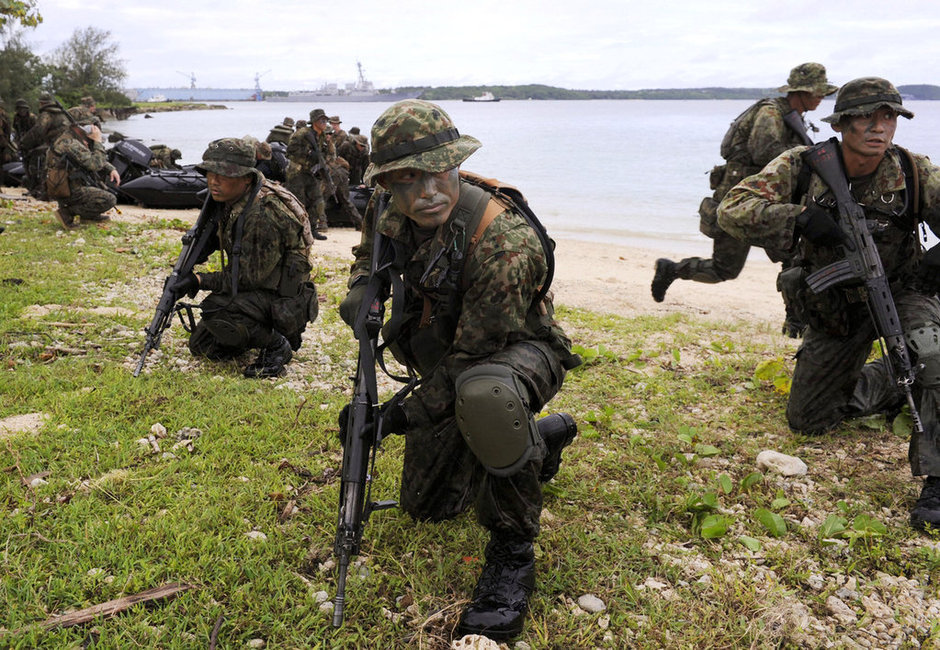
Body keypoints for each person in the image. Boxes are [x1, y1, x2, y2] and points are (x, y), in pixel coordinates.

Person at [338, 100, 580, 640]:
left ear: (455, 166)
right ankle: (541, 440)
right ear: (387, 184)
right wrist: (364, 289)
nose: (425, 193)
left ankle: (512, 553)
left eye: (436, 174)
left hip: (514, 355)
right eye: (405, 180)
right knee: (428, 507)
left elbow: (473, 357)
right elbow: (367, 255)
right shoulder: (385, 208)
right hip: (450, 362)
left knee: (487, 398)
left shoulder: (504, 240)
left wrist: (398, 416)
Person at [717, 77, 940, 532]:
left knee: (932, 355)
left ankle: (936, 479)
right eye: (865, 117)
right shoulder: (804, 164)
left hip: (900, 291)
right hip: (836, 304)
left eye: (888, 117)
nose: (878, 128)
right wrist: (799, 216)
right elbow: (731, 208)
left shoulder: (914, 172)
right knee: (810, 420)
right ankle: (895, 382)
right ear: (841, 124)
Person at [652, 63, 838, 336]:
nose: (821, 98)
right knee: (724, 269)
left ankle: (796, 322)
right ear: (801, 91)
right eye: (818, 92)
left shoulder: (792, 114)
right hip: (743, 202)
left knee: (794, 257)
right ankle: (672, 269)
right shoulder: (771, 113)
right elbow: (765, 151)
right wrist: (810, 153)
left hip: (767, 201)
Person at [169, 137, 319, 378]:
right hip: (263, 289)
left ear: (247, 178)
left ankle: (278, 344)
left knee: (216, 310)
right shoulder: (234, 199)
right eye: (209, 174)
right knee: (204, 346)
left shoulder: (262, 214)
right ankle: (254, 333)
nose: (213, 182)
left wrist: (198, 280)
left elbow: (247, 278)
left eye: (223, 175)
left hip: (283, 301)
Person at [45, 109, 121, 229]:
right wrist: (97, 141)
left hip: (70, 185)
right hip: (66, 189)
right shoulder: (69, 142)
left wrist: (111, 169)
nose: (92, 127)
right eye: (88, 124)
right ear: (78, 126)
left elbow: (90, 157)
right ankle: (67, 212)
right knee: (109, 199)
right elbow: (94, 164)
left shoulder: (75, 138)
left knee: (100, 185)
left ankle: (88, 216)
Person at [285, 107, 333, 240]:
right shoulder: (301, 133)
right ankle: (296, 231)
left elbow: (323, 154)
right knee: (298, 201)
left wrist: (322, 166)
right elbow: (290, 152)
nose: (324, 122)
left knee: (317, 200)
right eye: (321, 120)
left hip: (312, 172)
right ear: (314, 121)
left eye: (325, 120)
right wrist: (308, 155)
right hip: (297, 173)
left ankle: (312, 229)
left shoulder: (322, 136)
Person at [18, 93, 71, 199]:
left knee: (36, 160)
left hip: (54, 146)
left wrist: (24, 144)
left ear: (41, 103)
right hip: (66, 144)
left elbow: (38, 131)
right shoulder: (61, 113)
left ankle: (40, 190)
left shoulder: (46, 114)